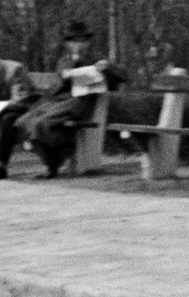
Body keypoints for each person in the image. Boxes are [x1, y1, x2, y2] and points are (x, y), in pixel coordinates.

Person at [13, 22, 127, 179]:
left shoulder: (97, 58)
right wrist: (65, 74)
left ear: (88, 42)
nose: (78, 45)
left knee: (40, 124)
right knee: (22, 122)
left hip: (80, 103)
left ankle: (54, 162)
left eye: (82, 41)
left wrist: (107, 67)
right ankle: (60, 152)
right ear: (68, 43)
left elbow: (123, 76)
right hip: (57, 102)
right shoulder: (64, 60)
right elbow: (58, 84)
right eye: (74, 41)